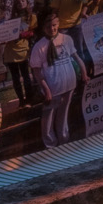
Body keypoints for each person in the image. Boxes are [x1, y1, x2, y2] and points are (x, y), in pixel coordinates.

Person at [30, 12, 82, 148]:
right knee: (48, 115)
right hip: (53, 88)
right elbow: (36, 71)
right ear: (43, 28)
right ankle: (50, 144)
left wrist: (84, 73)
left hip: (68, 84)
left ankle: (64, 140)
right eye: (48, 26)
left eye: (54, 25)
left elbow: (76, 57)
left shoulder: (66, 39)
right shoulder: (39, 46)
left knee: (63, 114)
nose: (52, 29)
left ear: (58, 24)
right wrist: (46, 89)